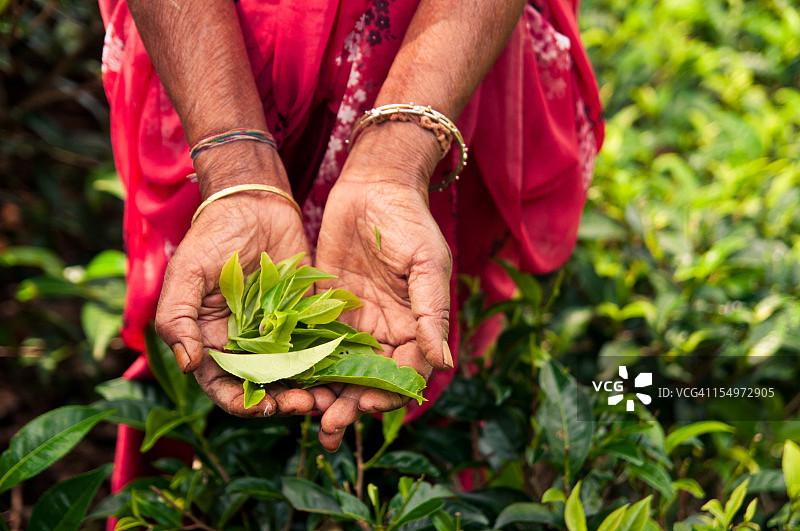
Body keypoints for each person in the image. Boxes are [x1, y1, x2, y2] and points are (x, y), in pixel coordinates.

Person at [99, 0, 603, 495]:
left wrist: (398, 158)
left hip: (444, 55)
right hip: (210, 61)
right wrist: (233, 166)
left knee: (437, 318)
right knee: (205, 313)